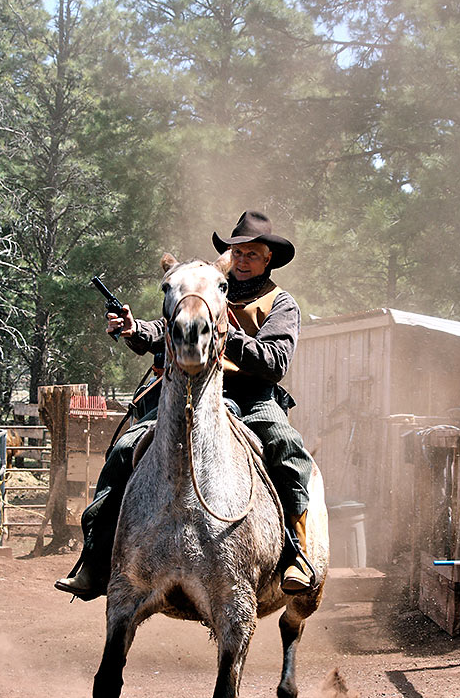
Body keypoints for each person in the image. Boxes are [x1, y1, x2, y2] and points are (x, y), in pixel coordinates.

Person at [55, 211, 314, 599]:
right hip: (188, 391)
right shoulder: (205, 286)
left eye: (252, 254)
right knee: (124, 449)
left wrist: (221, 333)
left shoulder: (281, 303)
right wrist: (133, 329)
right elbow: (164, 329)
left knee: (287, 449)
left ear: (268, 260)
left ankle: (297, 551)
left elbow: (275, 362)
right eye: (237, 252)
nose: (242, 260)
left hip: (250, 395)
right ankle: (95, 557)